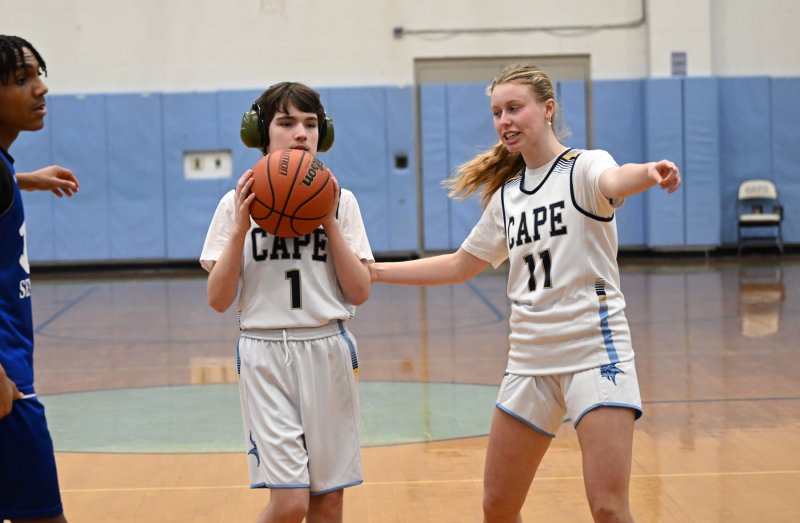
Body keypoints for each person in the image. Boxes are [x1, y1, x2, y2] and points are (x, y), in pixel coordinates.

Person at [370, 64, 681, 523]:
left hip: (594, 352)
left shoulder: (584, 166)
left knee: (609, 508)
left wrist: (649, 173)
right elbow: (461, 265)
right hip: (529, 359)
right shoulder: (507, 196)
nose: (504, 121)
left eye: (514, 108)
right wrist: (375, 272)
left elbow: (616, 180)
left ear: (548, 108)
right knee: (497, 507)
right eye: (497, 112)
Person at [200, 82, 372, 523]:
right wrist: (241, 227)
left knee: (328, 500)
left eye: (311, 125)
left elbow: (359, 291)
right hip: (264, 351)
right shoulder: (233, 204)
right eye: (287, 123)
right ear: (261, 132)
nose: (301, 133)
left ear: (323, 134)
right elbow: (218, 300)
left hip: (328, 347)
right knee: (290, 503)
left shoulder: (343, 201)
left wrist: (329, 220)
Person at [1, 35, 79, 523]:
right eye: (23, 79)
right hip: (8, 386)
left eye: (40, 74)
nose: (42, 88)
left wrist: (25, 178)